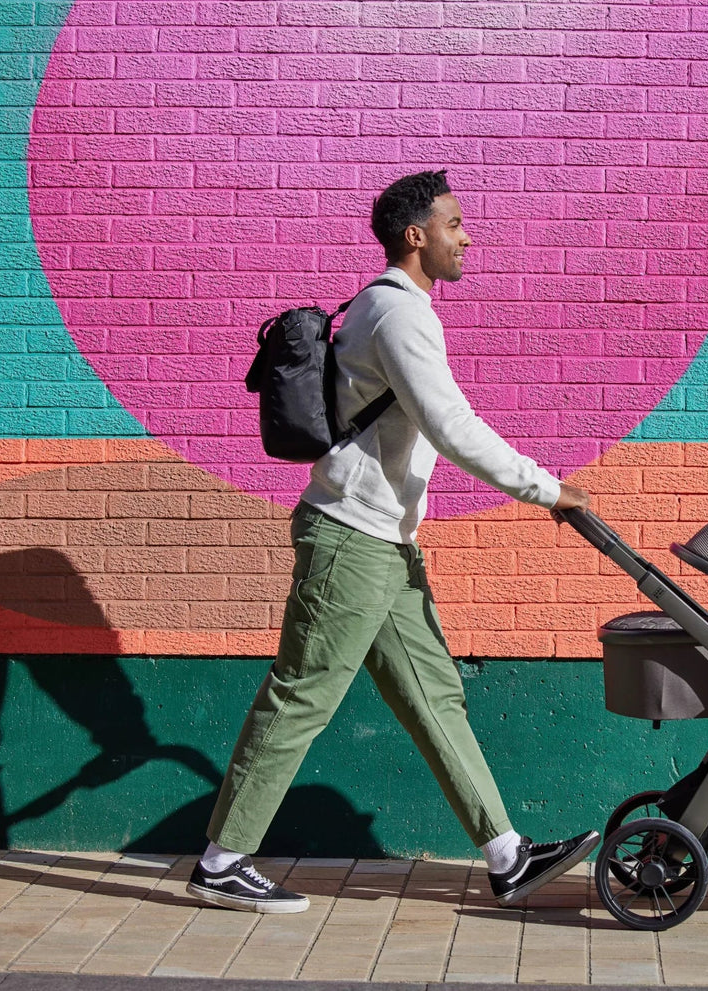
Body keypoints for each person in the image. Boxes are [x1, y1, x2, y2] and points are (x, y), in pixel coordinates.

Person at [187, 170, 598, 914]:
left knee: (433, 696)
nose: (466, 237)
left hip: (384, 542)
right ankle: (222, 859)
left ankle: (506, 854)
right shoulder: (400, 314)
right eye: (454, 223)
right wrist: (546, 488)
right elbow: (451, 424)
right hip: (351, 538)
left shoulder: (388, 310)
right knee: (303, 692)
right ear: (417, 235)